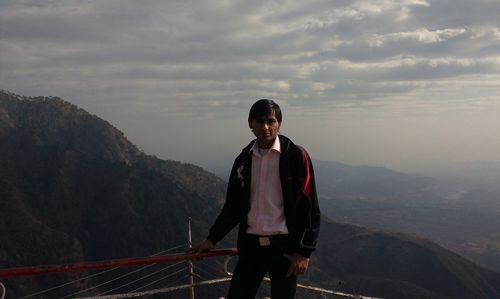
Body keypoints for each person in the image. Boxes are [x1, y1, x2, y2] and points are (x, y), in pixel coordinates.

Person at [191, 99, 320, 299]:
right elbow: (233, 207)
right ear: (250, 124)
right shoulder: (244, 160)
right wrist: (211, 239)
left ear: (279, 123)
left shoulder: (295, 157)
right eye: (260, 121)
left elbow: (310, 207)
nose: (266, 127)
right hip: (251, 247)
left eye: (271, 121)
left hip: (285, 249)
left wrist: (304, 252)